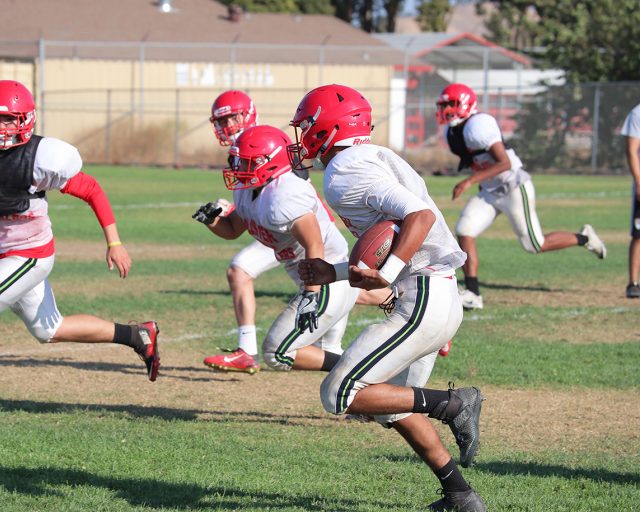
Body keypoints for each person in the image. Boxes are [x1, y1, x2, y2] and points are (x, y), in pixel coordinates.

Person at [0, 80, 160, 433]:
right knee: (49, 329)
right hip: (2, 256)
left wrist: (114, 242)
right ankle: (137, 335)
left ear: (25, 120)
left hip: (28, 256)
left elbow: (92, 190)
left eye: (8, 120)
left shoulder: (41, 158)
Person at [293, 84, 487, 512]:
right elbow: (387, 241)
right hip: (431, 293)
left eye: (307, 126)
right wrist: (337, 272)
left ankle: (455, 403)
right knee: (388, 405)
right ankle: (460, 495)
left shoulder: (346, 170)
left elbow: (419, 217)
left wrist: (389, 274)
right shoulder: (366, 157)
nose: (302, 136)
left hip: (423, 295)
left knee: (339, 393)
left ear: (329, 126)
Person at [194, 125, 360, 373]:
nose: (238, 168)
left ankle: (361, 369)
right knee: (330, 355)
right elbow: (232, 230)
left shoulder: (283, 196)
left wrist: (310, 295)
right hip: (314, 276)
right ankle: (363, 379)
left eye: (246, 162)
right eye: (237, 161)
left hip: (327, 275)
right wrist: (212, 221)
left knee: (277, 352)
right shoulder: (249, 191)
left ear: (269, 163)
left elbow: (314, 243)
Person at [436, 83, 607, 310]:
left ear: (466, 104)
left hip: (513, 186)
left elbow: (504, 163)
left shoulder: (478, 125)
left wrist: (469, 181)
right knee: (465, 230)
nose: (446, 109)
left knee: (535, 244)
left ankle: (584, 237)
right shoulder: (452, 133)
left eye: (451, 104)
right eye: (444, 105)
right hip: (490, 190)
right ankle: (473, 293)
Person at [194, 90, 277, 373]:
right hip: (274, 232)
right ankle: (247, 351)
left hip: (293, 229)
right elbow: (245, 215)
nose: (227, 125)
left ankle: (397, 298)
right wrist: (220, 216)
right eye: (222, 120)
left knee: (352, 289)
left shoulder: (264, 142)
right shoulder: (237, 153)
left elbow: (277, 197)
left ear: (248, 113)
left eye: (232, 117)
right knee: (239, 270)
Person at [620, 103, 640, 298]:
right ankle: (633, 283)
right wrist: (638, 180)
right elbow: (632, 150)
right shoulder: (637, 113)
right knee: (639, 234)